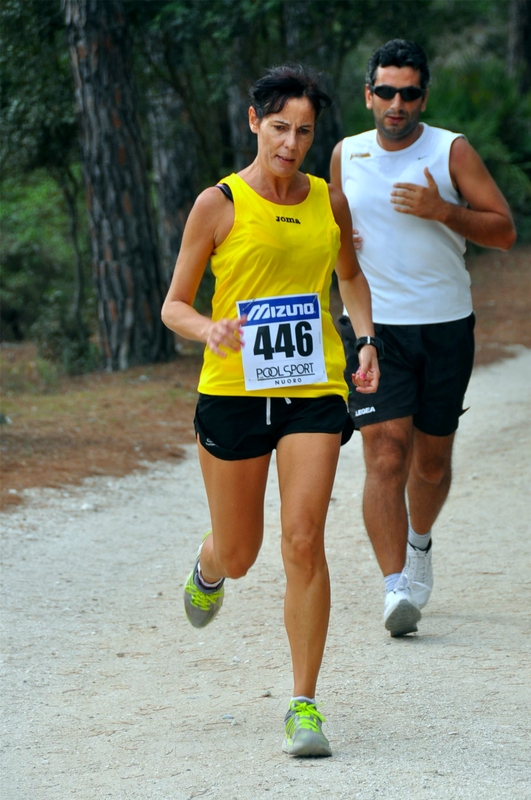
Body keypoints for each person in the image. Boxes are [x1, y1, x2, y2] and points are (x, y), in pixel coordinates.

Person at [161, 64, 379, 757]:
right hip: (232, 391)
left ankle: (304, 705)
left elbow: (347, 275)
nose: (290, 142)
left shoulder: (327, 201)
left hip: (311, 387)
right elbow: (173, 305)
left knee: (303, 537)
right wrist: (209, 330)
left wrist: (365, 337)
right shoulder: (216, 203)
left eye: (304, 131)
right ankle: (210, 564)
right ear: (255, 122)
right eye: (279, 126)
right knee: (242, 552)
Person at [330, 39, 516, 638]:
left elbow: (505, 231)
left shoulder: (450, 149)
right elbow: (328, 228)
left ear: (423, 97)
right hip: (373, 329)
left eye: (409, 93)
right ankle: (394, 589)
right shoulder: (344, 154)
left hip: (443, 324)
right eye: (386, 91)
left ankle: (419, 543)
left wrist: (444, 211)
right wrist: (337, 244)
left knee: (430, 464)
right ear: (368, 95)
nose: (397, 103)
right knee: (385, 451)